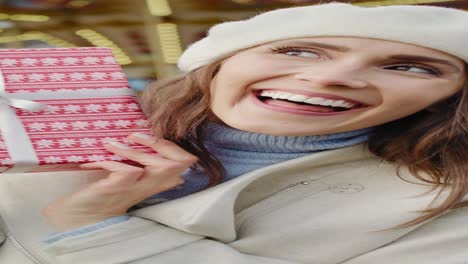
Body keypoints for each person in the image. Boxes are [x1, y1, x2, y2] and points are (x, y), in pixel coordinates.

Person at [0, 3, 467, 264]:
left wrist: (96, 227)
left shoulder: (443, 209)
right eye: (300, 52)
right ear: (219, 63)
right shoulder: (41, 130)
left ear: (449, 97)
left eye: (410, 67)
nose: (330, 79)